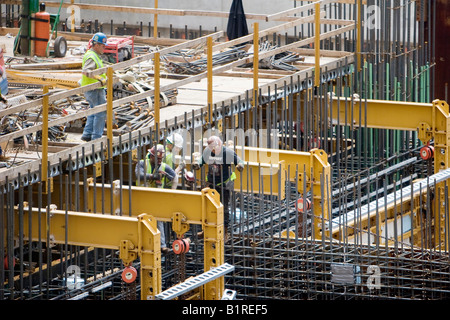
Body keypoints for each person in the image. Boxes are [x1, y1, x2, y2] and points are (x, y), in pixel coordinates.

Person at [192, 135, 244, 238]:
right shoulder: (208, 151)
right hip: (211, 183)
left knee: (223, 207)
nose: (215, 150)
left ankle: (224, 232)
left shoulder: (227, 152)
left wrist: (240, 166)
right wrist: (197, 164)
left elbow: (239, 161)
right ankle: (205, 230)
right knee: (207, 206)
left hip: (225, 184)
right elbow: (201, 160)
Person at [135, 144, 176, 254]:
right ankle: (138, 244)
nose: (159, 160)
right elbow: (138, 174)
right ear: (151, 156)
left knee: (159, 220)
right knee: (140, 221)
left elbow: (174, 177)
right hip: (142, 197)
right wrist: (153, 176)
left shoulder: (163, 166)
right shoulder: (143, 163)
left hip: (156, 198)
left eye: (161, 159)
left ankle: (162, 245)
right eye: (157, 158)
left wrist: (167, 180)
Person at [80, 32, 108, 142]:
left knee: (93, 111)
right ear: (96, 45)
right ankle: (96, 138)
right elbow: (86, 71)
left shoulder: (92, 55)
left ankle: (87, 134)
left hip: (91, 88)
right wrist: (99, 78)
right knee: (100, 112)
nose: (104, 48)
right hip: (94, 88)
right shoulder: (92, 56)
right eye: (103, 45)